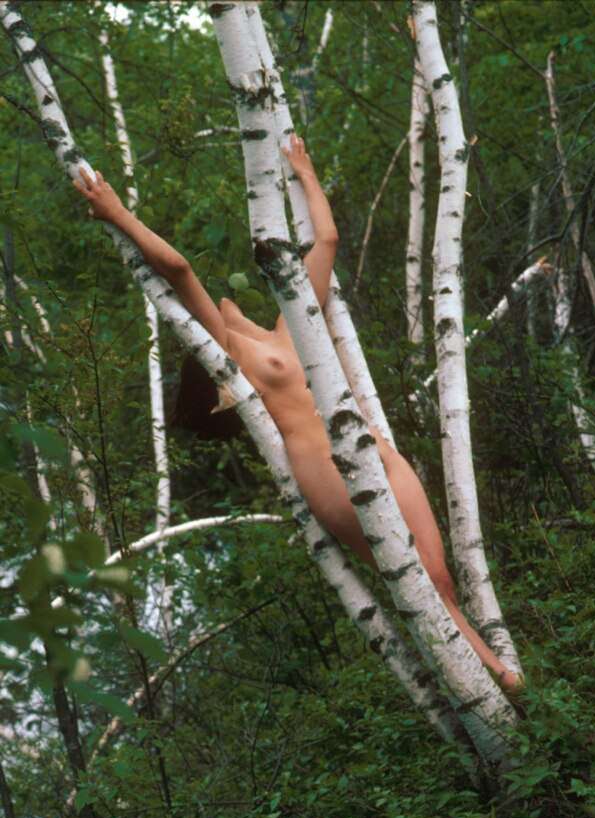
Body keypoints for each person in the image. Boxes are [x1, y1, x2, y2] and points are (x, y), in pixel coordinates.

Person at [73, 136, 523, 696]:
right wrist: (116, 212)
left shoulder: (293, 327)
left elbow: (326, 240)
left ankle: (499, 682)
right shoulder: (230, 357)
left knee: (439, 578)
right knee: (419, 584)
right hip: (328, 471)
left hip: (372, 448)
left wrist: (304, 171)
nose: (226, 300)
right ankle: (502, 683)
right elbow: (179, 270)